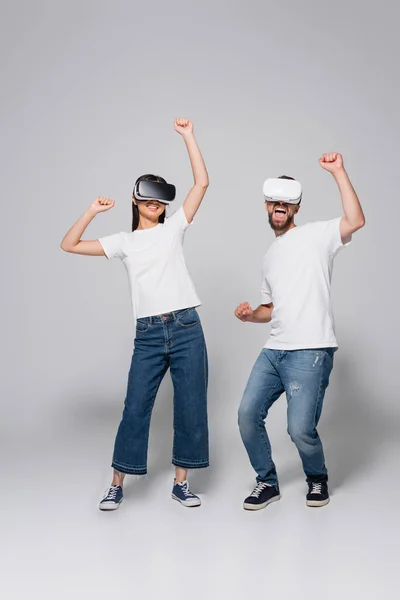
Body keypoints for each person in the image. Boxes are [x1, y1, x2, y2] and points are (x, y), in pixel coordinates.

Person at [61, 118, 209, 510]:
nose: (155, 205)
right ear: (135, 200)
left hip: (186, 326)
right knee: (135, 407)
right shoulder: (123, 242)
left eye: (160, 200)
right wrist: (92, 210)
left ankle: (181, 483)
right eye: (148, 198)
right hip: (148, 333)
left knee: (190, 404)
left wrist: (188, 136)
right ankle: (116, 484)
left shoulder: (175, 227)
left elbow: (202, 184)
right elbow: (69, 244)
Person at [235, 153, 365, 510]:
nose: (279, 206)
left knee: (299, 429)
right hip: (274, 350)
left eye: (287, 202)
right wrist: (250, 316)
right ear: (266, 205)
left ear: (295, 207)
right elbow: (271, 309)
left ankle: (317, 477)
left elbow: (356, 219)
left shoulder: (318, 235)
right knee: (247, 416)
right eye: (274, 201)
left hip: (311, 350)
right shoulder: (269, 256)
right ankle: (267, 482)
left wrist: (339, 170)